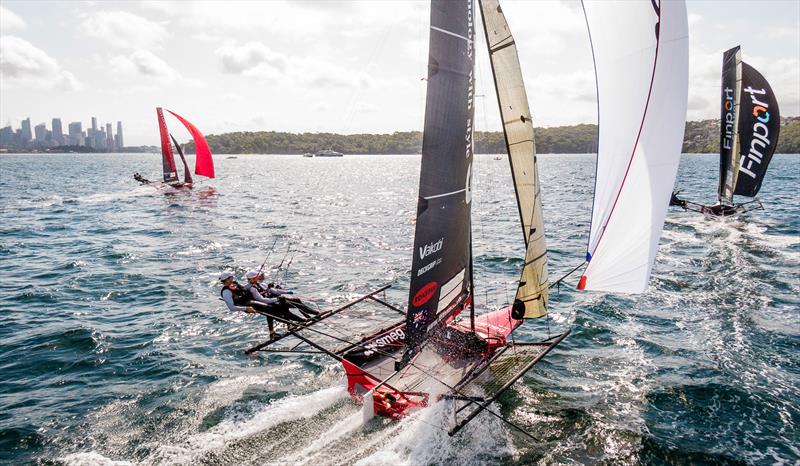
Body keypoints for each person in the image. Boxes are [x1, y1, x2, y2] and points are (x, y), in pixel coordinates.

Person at [219, 271, 306, 338]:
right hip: (247, 305)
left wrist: (267, 289)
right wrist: (246, 308)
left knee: (277, 307)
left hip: (250, 301)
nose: (231, 279)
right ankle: (273, 332)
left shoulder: (235, 284)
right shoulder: (226, 292)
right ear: (225, 280)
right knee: (270, 308)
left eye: (230, 277)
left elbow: (245, 288)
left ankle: (294, 322)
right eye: (229, 278)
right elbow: (231, 307)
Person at [255, 271, 319, 318]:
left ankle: (307, 314)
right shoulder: (256, 286)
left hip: (275, 300)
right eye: (262, 274)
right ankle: (314, 313)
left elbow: (275, 291)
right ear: (258, 276)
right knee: (296, 301)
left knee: (297, 300)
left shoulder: (262, 284)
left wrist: (287, 292)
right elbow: (262, 295)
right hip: (273, 302)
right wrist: (269, 289)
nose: (264, 275)